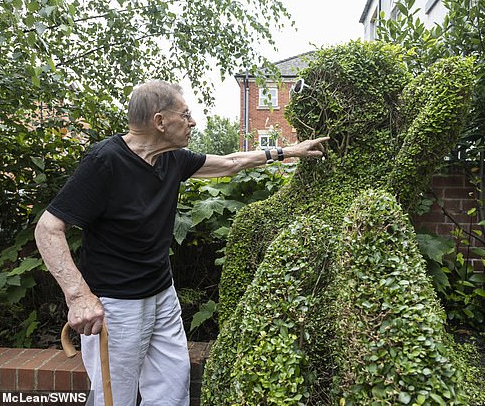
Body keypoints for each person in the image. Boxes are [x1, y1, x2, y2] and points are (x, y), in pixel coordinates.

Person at [34, 80, 328, 406]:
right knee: (114, 398)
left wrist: (289, 151)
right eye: (185, 114)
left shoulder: (173, 159)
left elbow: (232, 163)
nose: (193, 122)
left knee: (173, 386)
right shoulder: (106, 162)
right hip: (117, 306)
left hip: (162, 294)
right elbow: (48, 229)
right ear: (160, 122)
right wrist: (78, 297)